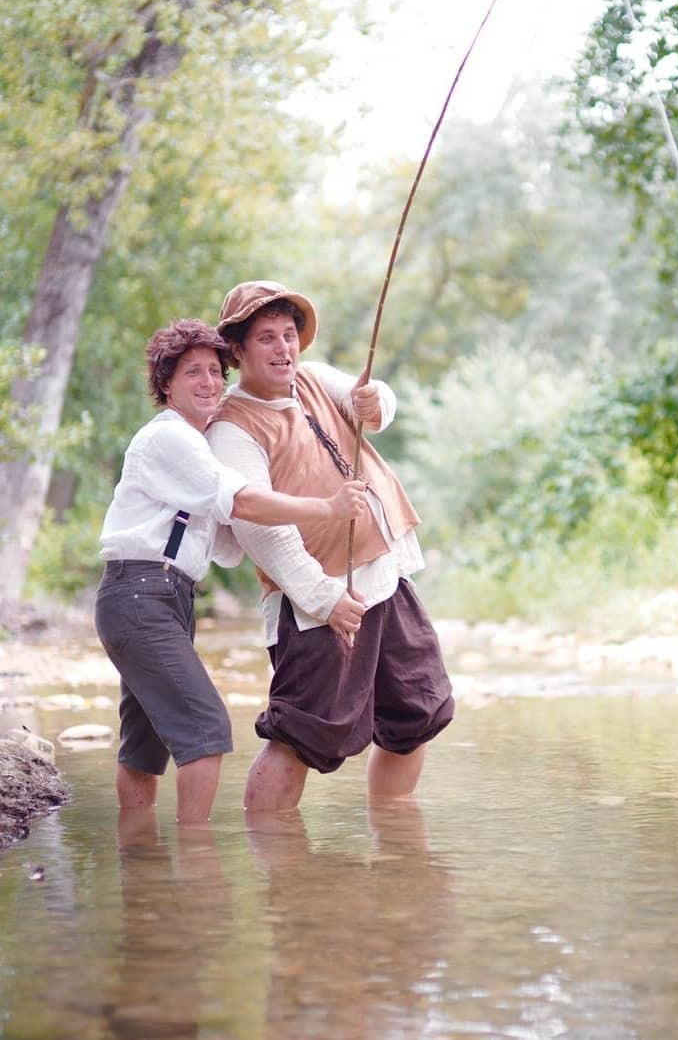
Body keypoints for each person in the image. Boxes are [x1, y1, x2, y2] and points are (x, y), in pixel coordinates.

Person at [95, 318, 366, 824]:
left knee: (144, 745)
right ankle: (197, 862)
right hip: (140, 595)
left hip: (161, 596)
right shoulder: (169, 439)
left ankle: (138, 860)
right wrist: (326, 508)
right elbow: (241, 501)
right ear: (166, 384)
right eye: (192, 372)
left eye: (216, 372)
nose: (209, 383)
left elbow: (228, 546)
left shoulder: (199, 444)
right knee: (206, 729)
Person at [206, 280, 454, 810]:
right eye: (267, 338)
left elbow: (374, 400)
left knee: (417, 712)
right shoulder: (231, 428)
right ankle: (279, 869)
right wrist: (323, 598)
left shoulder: (316, 380)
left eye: (289, 335)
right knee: (302, 733)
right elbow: (258, 526)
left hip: (384, 577)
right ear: (237, 350)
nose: (283, 349)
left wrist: (374, 401)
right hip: (314, 603)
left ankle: (395, 845)